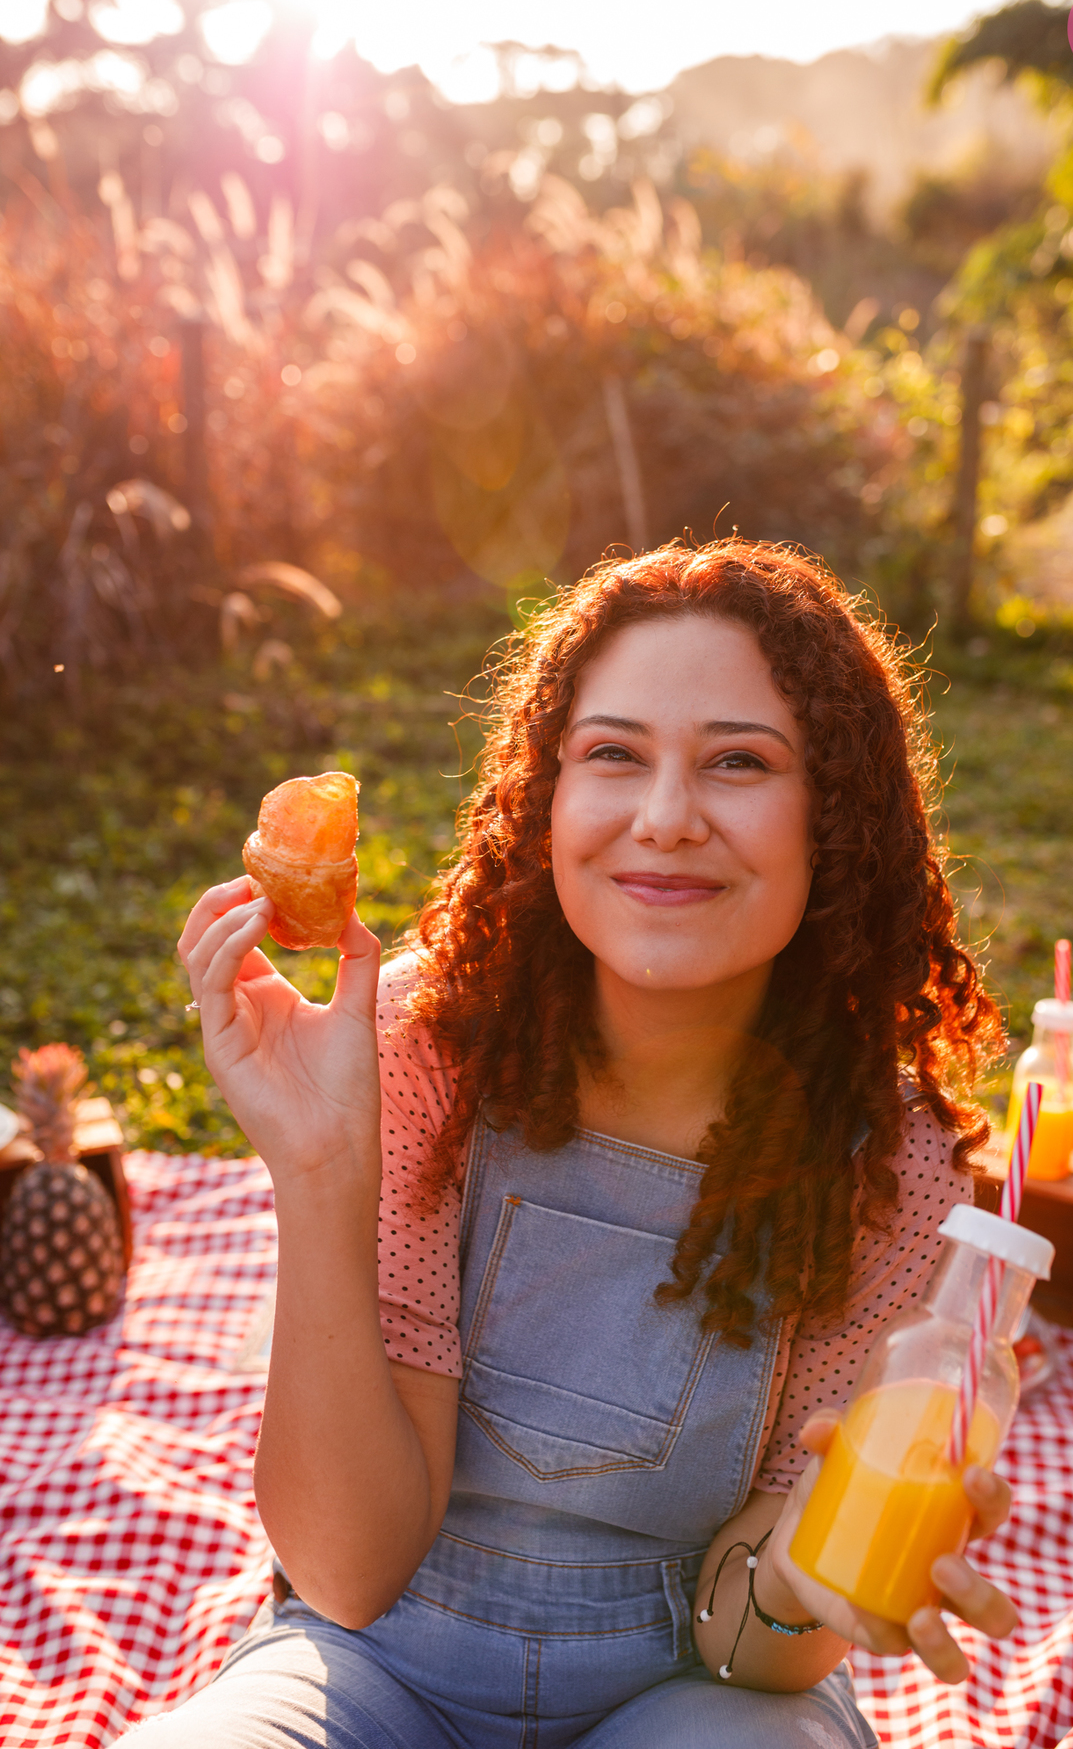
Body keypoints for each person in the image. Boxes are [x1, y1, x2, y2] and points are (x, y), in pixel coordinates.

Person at [122, 541, 1018, 1749]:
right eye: (613, 755)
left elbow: (742, 1646)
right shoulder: (416, 1048)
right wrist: (322, 1170)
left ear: (837, 821)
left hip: (692, 1690)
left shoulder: (891, 1166)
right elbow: (347, 1573)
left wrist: (810, 1572)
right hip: (371, 1655)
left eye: (739, 764)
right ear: (547, 794)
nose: (663, 820)